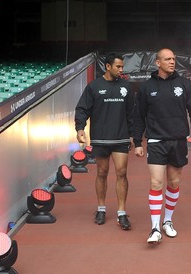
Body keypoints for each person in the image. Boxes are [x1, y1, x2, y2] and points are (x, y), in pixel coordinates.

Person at [134, 48, 191, 243]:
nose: (172, 62)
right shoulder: (147, 87)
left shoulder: (184, 84)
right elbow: (138, 116)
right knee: (156, 183)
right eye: (167, 59)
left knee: (174, 183)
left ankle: (167, 221)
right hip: (156, 141)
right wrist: (138, 142)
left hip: (178, 140)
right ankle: (154, 228)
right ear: (158, 63)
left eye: (174, 58)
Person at [75, 52, 134, 230]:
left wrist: (133, 136)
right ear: (108, 67)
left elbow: (132, 113)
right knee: (102, 173)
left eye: (122, 66)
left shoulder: (126, 86)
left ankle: (122, 212)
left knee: (121, 173)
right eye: (118, 66)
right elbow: (82, 109)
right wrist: (80, 128)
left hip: (121, 137)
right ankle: (101, 208)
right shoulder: (94, 87)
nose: (121, 70)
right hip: (100, 138)